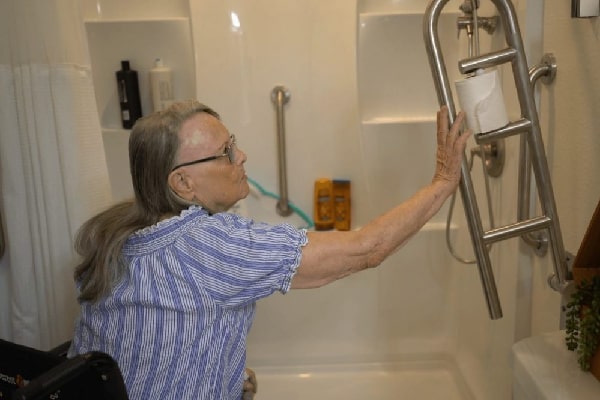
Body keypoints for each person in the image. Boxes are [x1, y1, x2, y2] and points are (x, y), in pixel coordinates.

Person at [67, 99, 471, 399]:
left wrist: (228, 376)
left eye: (234, 143)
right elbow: (367, 249)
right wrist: (442, 181)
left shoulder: (123, 230)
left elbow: (155, 339)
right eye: (226, 152)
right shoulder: (208, 244)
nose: (241, 156)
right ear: (183, 185)